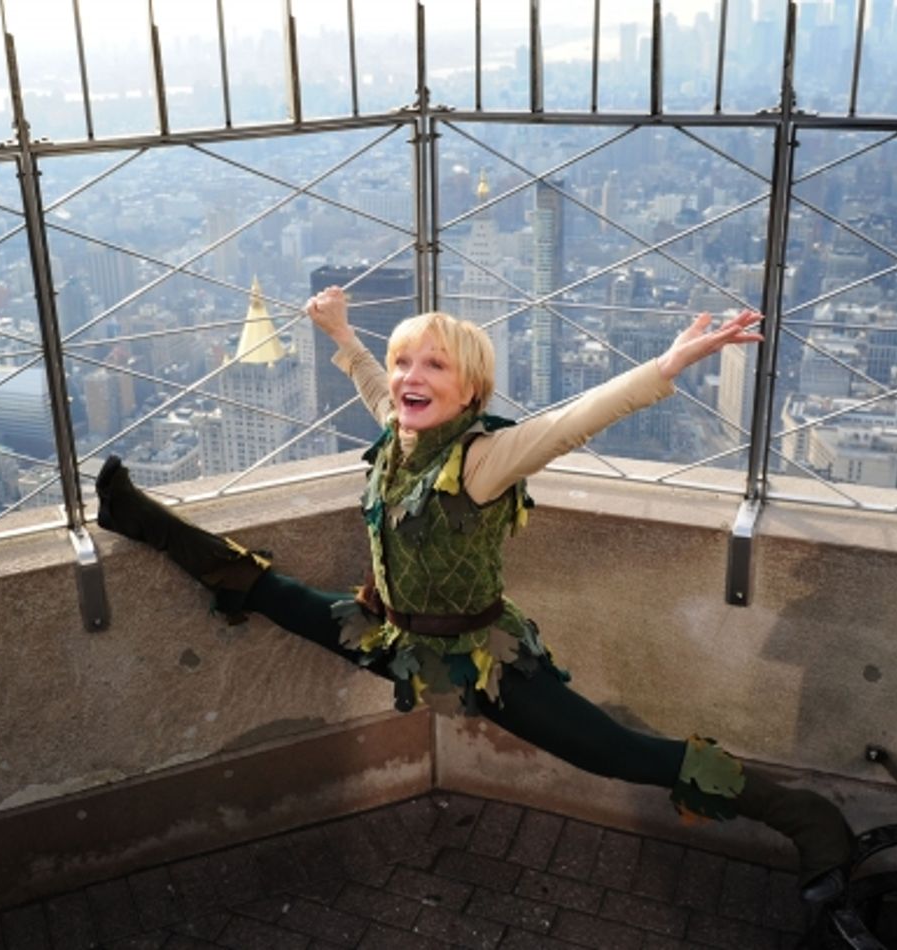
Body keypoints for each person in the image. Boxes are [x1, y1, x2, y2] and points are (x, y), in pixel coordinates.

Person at [95, 286, 852, 901]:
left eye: (434, 367)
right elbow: (373, 386)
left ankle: (800, 814)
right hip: (389, 635)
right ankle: (137, 518)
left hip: (474, 657)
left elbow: (572, 422)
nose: (409, 377)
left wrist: (668, 365)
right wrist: (343, 334)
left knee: (612, 752)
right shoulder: (401, 429)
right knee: (268, 589)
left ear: (472, 392)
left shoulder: (485, 459)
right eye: (405, 362)